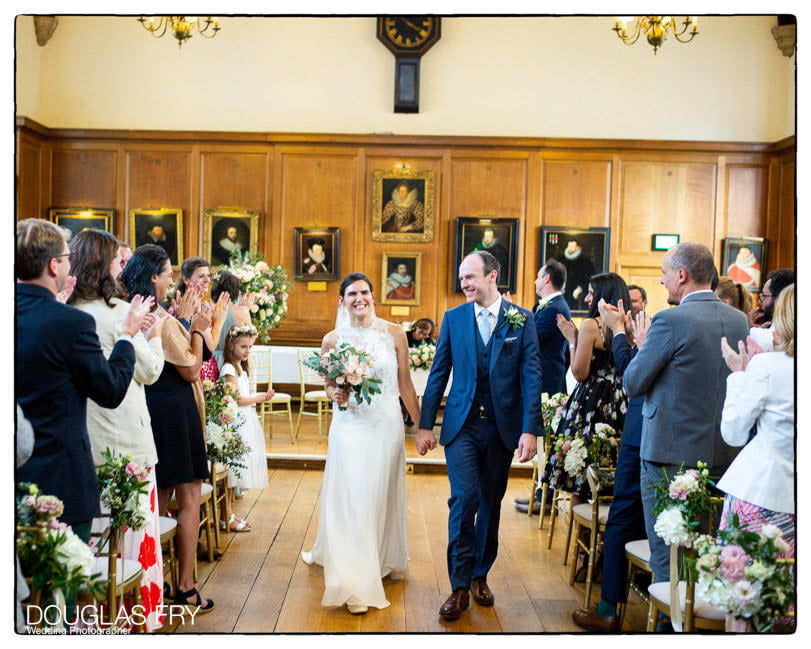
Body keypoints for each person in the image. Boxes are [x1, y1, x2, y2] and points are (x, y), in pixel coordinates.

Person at [416, 251, 541, 621]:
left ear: (493, 276)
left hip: (502, 428)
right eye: (461, 278)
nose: (465, 284)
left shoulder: (522, 319)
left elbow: (531, 377)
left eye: (470, 277)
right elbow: (439, 372)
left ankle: (479, 575)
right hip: (462, 426)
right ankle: (458, 587)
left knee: (490, 502)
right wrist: (426, 425)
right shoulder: (454, 318)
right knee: (464, 499)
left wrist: (530, 429)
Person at [623, 242, 749, 589]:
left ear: (681, 275)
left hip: (668, 459)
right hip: (722, 457)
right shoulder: (740, 321)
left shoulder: (669, 320)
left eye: (664, 273)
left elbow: (633, 382)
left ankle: (668, 630)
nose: (662, 281)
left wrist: (641, 346)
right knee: (706, 557)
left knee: (668, 560)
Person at [16, 219, 147, 540]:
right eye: (66, 257)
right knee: (63, 586)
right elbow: (111, 390)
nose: (70, 263)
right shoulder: (72, 324)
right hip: (59, 478)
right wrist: (128, 336)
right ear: (53, 265)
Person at [302, 273, 421, 615]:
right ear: (342, 301)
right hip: (350, 425)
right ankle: (353, 580)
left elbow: (405, 385)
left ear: (373, 296)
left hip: (385, 425)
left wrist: (424, 427)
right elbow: (327, 386)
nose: (359, 298)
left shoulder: (394, 334)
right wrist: (334, 393)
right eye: (352, 293)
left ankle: (380, 558)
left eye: (365, 292)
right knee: (353, 497)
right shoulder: (332, 340)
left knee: (379, 494)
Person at [67, 228, 167, 631]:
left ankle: (90, 616)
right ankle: (137, 616)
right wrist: (154, 335)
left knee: (95, 530)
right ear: (104, 267)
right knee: (133, 530)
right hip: (127, 438)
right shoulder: (116, 315)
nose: (121, 268)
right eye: (117, 261)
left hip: (85, 441)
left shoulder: (68, 313)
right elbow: (150, 370)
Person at [122, 243, 217, 613]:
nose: (170, 281)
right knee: (188, 498)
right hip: (176, 413)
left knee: (158, 497)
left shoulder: (136, 310)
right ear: (153, 278)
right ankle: (185, 586)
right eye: (167, 275)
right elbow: (192, 368)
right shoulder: (158, 316)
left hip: (153, 412)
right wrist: (195, 327)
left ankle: (155, 581)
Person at [571, 292, 651, 632]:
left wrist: (622, 335)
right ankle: (661, 610)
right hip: (628, 415)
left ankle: (606, 606)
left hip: (632, 422)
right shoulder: (735, 322)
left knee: (620, 514)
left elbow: (632, 375)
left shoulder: (605, 326)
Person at [717, 284, 795, 555]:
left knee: (746, 584)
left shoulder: (768, 366)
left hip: (763, 492)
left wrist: (739, 374)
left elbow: (734, 433)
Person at [542, 273, 630, 502]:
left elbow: (579, 374)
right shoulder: (630, 324)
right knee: (616, 464)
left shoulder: (591, 326)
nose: (588, 298)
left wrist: (572, 340)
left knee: (581, 473)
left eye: (592, 292)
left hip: (594, 401)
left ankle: (581, 528)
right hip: (624, 402)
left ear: (604, 295)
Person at [514, 259, 571, 515]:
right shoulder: (548, 306)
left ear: (547, 278)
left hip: (547, 383)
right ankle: (540, 493)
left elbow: (530, 340)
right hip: (547, 381)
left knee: (547, 444)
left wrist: (513, 315)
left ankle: (545, 497)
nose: (535, 281)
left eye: (538, 276)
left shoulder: (554, 309)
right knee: (545, 443)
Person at [218, 323, 274, 532]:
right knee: (232, 473)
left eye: (250, 346)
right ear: (231, 345)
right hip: (235, 422)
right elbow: (234, 398)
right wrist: (258, 398)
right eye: (243, 347)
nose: (247, 351)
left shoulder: (241, 367)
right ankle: (226, 515)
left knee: (236, 474)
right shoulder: (228, 369)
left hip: (244, 421)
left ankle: (228, 514)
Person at [748, 268, 795, 350]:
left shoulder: (758, 336)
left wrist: (748, 328)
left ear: (780, 299)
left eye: (764, 296)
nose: (760, 301)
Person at [558, 239, 596, 312]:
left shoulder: (585, 261)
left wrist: (581, 288)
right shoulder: (561, 260)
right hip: (564, 292)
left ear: (578, 247)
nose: (570, 247)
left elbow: (591, 278)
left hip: (579, 294)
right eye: (569, 245)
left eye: (573, 245)